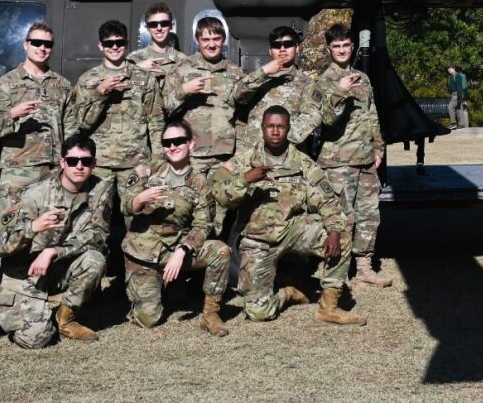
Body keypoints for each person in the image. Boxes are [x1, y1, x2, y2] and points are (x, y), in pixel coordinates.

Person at [211, 106, 366, 325]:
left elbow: (327, 200)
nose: (275, 131)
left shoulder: (303, 164)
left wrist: (332, 230)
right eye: (270, 126)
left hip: (294, 230)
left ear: (288, 129)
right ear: (262, 128)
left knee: (340, 236)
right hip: (258, 239)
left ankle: (328, 307)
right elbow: (219, 194)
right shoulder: (243, 161)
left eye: (281, 127)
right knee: (258, 313)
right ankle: (288, 293)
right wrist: (245, 179)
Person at [0, 132, 113, 347]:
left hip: (58, 265)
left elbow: (98, 234)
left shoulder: (101, 189)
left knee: (95, 259)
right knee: (37, 339)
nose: (79, 166)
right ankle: (9, 304)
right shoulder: (34, 195)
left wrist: (53, 251)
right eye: (73, 161)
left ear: (95, 163)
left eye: (86, 161)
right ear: (62, 162)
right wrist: (32, 228)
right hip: (22, 271)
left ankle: (66, 319)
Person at [293, 23, 390, 286]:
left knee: (369, 215)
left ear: (352, 46)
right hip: (337, 162)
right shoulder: (323, 82)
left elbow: (372, 116)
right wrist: (340, 90)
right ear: (328, 49)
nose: (342, 50)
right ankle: (338, 269)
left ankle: (365, 267)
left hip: (366, 159)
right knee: (341, 217)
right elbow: (325, 120)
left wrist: (378, 147)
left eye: (346, 45)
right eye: (336, 46)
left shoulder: (363, 78)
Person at [118, 119, 232, 335]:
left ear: (191, 143)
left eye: (178, 141)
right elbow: (124, 206)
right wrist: (140, 198)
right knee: (149, 319)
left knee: (221, 251)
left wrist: (183, 250)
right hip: (143, 252)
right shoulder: (146, 171)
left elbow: (202, 224)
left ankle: (210, 314)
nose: (172, 146)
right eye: (167, 142)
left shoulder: (200, 183)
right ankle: (163, 287)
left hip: (176, 251)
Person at [0, 22, 74, 221]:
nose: (42, 48)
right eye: (37, 43)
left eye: (47, 44)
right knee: (8, 219)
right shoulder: (7, 84)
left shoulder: (62, 85)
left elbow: (71, 130)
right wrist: (12, 114)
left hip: (53, 168)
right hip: (18, 167)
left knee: (52, 221)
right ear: (26, 45)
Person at [163, 17, 259, 182]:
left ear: (223, 39)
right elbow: (165, 109)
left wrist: (241, 153)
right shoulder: (181, 69)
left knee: (222, 203)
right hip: (191, 153)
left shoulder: (236, 73)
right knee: (194, 202)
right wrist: (184, 91)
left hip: (224, 154)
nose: (211, 44)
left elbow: (243, 117)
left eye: (216, 39)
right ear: (197, 40)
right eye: (206, 39)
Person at [67, 20, 163, 180]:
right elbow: (82, 123)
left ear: (126, 43)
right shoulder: (88, 80)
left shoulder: (144, 78)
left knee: (135, 205)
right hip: (99, 165)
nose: (114, 47)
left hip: (135, 164)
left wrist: (157, 161)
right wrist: (100, 92)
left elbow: (156, 122)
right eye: (108, 43)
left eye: (119, 42)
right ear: (100, 45)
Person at [235, 25, 315, 151]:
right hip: (252, 155)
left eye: (288, 44)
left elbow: (311, 117)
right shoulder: (257, 79)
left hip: (286, 158)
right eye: (277, 45)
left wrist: (278, 142)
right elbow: (238, 96)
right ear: (270, 50)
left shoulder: (307, 84)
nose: (282, 49)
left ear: (297, 48)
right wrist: (264, 72)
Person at [129, 2, 187, 88]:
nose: (159, 28)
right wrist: (137, 68)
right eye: (153, 24)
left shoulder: (183, 60)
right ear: (147, 28)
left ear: (171, 26)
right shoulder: (134, 59)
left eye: (164, 23)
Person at [446, 65, 469, 130]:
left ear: (454, 69)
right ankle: (461, 124)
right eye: (448, 69)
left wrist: (459, 96)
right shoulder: (452, 76)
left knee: (450, 107)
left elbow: (459, 86)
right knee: (459, 108)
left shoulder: (457, 76)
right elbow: (452, 87)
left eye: (450, 69)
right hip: (455, 94)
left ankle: (453, 124)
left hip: (457, 94)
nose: (448, 70)